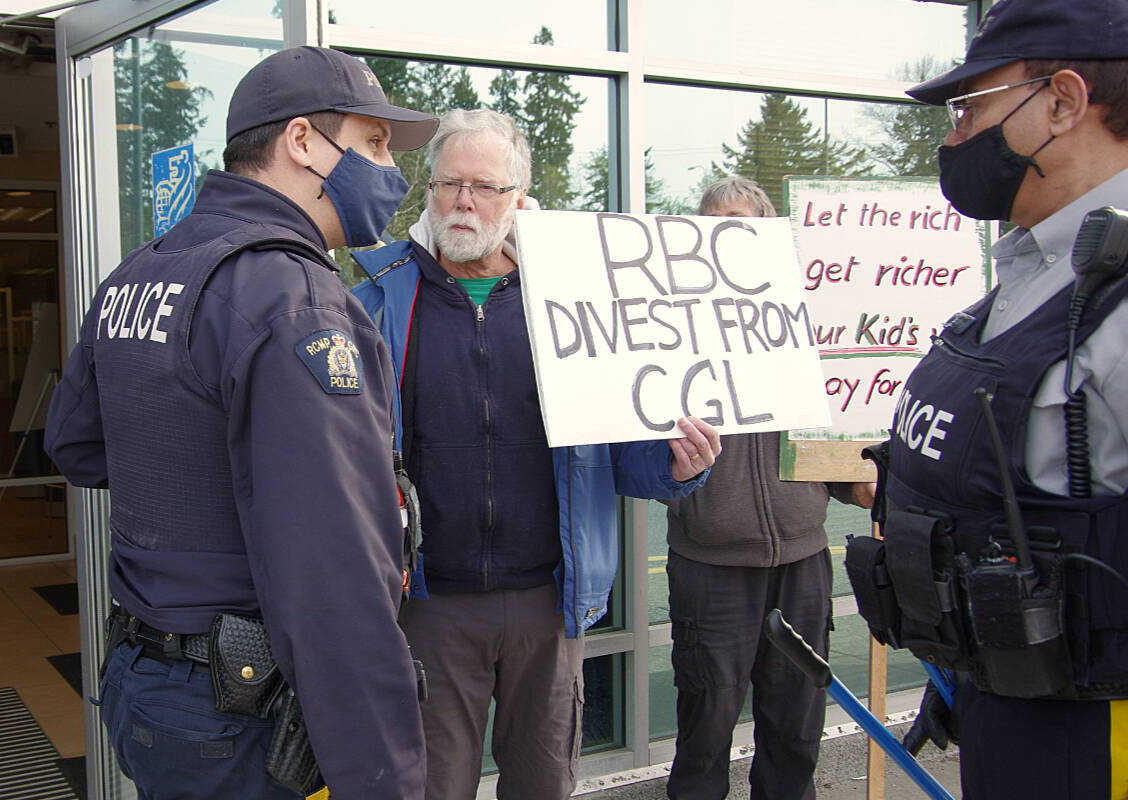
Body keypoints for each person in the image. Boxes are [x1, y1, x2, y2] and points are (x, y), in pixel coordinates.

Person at [43, 46, 438, 800]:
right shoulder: (292, 297)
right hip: (237, 716)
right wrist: (385, 779)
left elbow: (77, 446)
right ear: (301, 142)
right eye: (376, 143)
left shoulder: (143, 270)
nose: (391, 170)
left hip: (146, 686)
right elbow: (335, 572)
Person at [351, 108, 722, 800]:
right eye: (449, 183)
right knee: (432, 788)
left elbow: (618, 447)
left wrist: (677, 465)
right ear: (428, 191)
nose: (464, 201)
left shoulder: (575, 295)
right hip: (428, 608)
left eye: (486, 187)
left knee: (543, 785)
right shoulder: (375, 300)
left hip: (547, 607)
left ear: (520, 196)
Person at [852, 1, 1128, 798]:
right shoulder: (1031, 280)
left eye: (973, 105)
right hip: (1002, 709)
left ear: (1064, 102)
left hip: (1094, 737)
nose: (954, 133)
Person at [663, 178, 872, 800]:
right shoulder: (663, 326)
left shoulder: (803, 323)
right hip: (709, 565)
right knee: (704, 733)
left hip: (803, 561)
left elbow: (823, 438)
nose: (727, 234)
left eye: (741, 224)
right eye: (713, 223)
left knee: (796, 729)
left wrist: (857, 478)